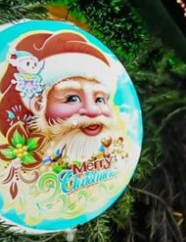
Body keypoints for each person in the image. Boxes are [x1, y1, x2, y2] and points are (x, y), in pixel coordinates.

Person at [0, 31, 125, 163]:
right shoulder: (29, 159)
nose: (93, 111)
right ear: (39, 105)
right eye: (72, 98)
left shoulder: (112, 152)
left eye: (99, 99)